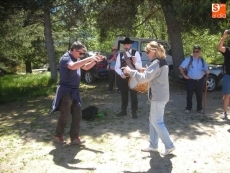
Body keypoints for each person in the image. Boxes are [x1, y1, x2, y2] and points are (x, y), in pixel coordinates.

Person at [122, 41, 175, 155]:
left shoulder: (156, 63)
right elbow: (149, 73)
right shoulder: (161, 62)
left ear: (154, 51)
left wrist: (130, 71)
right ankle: (153, 145)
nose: (146, 54)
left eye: (147, 51)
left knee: (157, 122)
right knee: (153, 121)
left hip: (158, 97)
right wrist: (137, 67)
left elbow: (144, 78)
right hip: (160, 96)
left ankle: (169, 145)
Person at [51, 41, 103, 144]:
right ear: (74, 50)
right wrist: (89, 58)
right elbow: (73, 66)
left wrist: (95, 61)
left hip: (74, 91)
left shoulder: (76, 58)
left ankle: (75, 138)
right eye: (80, 53)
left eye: (83, 54)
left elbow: (86, 67)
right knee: (65, 115)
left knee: (77, 114)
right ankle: (58, 135)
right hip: (65, 90)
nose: (81, 55)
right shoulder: (66, 58)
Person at [115, 37, 142, 119]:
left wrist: (135, 62)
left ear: (130, 45)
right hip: (123, 78)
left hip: (133, 78)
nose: (126, 46)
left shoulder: (136, 53)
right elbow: (117, 67)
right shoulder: (120, 54)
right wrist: (121, 74)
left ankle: (134, 112)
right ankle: (123, 111)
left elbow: (140, 66)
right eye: (125, 45)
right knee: (124, 95)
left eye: (127, 44)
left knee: (134, 95)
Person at [179, 45, 209, 114]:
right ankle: (188, 108)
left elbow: (205, 69)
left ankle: (199, 108)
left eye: (197, 51)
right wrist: (184, 76)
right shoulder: (189, 59)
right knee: (189, 95)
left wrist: (207, 71)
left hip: (200, 80)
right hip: (191, 80)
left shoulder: (202, 60)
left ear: (200, 52)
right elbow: (180, 67)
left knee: (199, 95)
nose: (195, 53)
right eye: (194, 51)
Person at [217, 29, 230, 119]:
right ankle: (225, 112)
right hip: (228, 75)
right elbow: (219, 48)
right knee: (227, 95)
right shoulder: (228, 50)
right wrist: (223, 37)